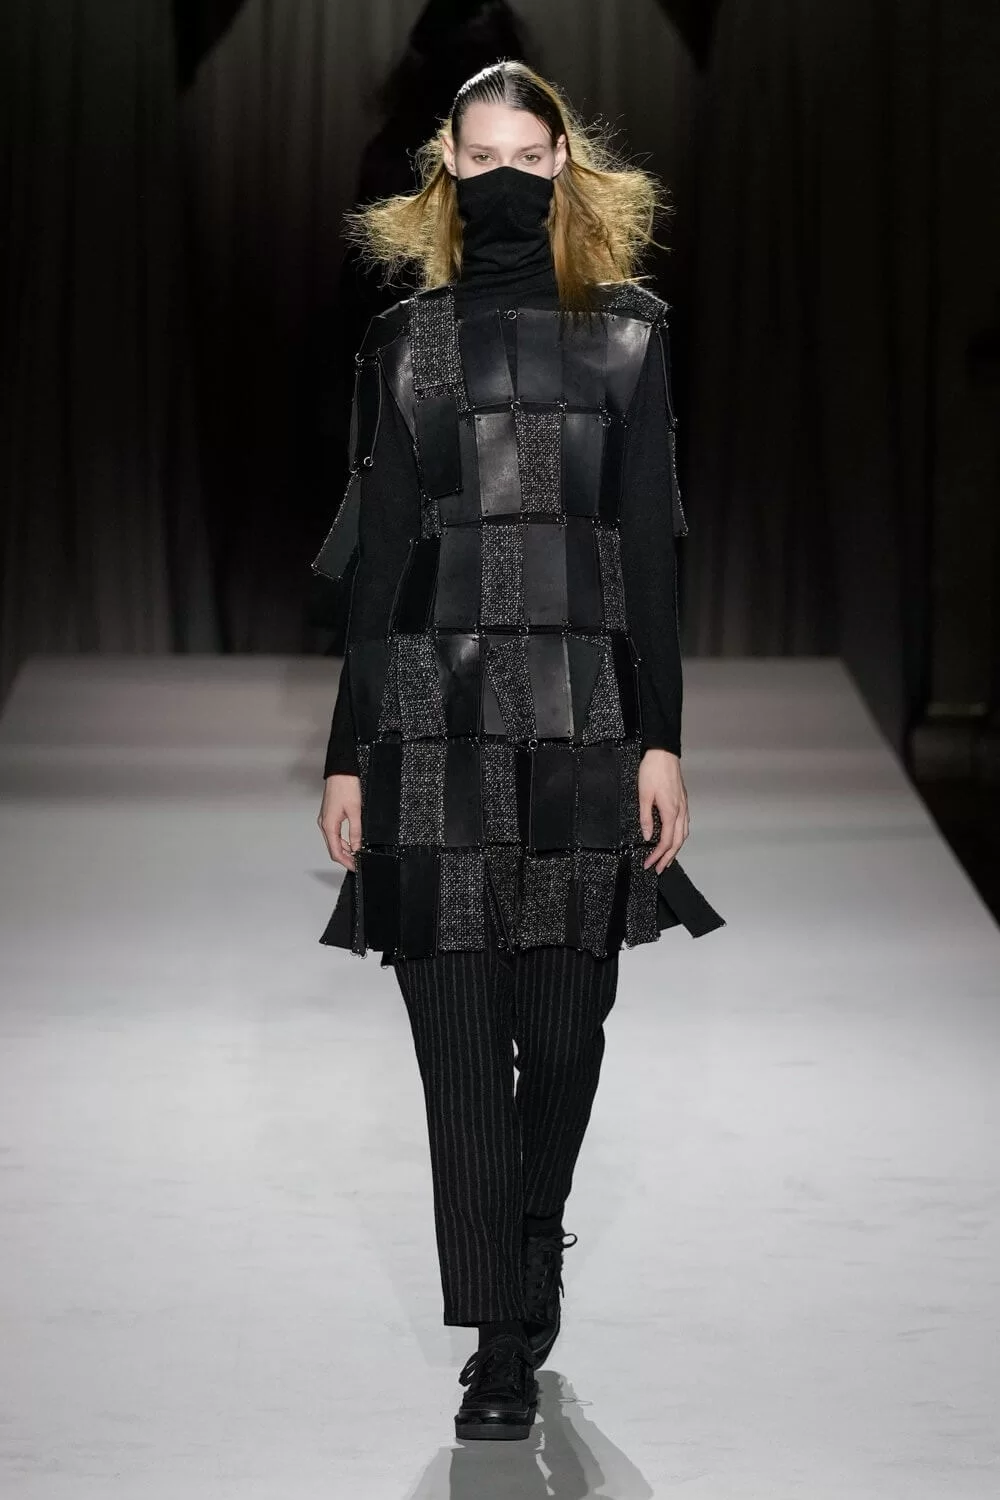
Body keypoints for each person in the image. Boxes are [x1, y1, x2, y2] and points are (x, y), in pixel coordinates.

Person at [314, 59, 725, 1442]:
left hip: (585, 720)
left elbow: (650, 552)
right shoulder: (401, 341)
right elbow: (378, 557)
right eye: (478, 157)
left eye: (525, 157)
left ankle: (532, 1243)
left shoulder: (630, 335)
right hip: (429, 720)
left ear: (563, 165)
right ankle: (498, 1343)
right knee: (454, 1050)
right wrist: (348, 755)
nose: (501, 179)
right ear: (446, 165)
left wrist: (663, 739)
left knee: (559, 1039)